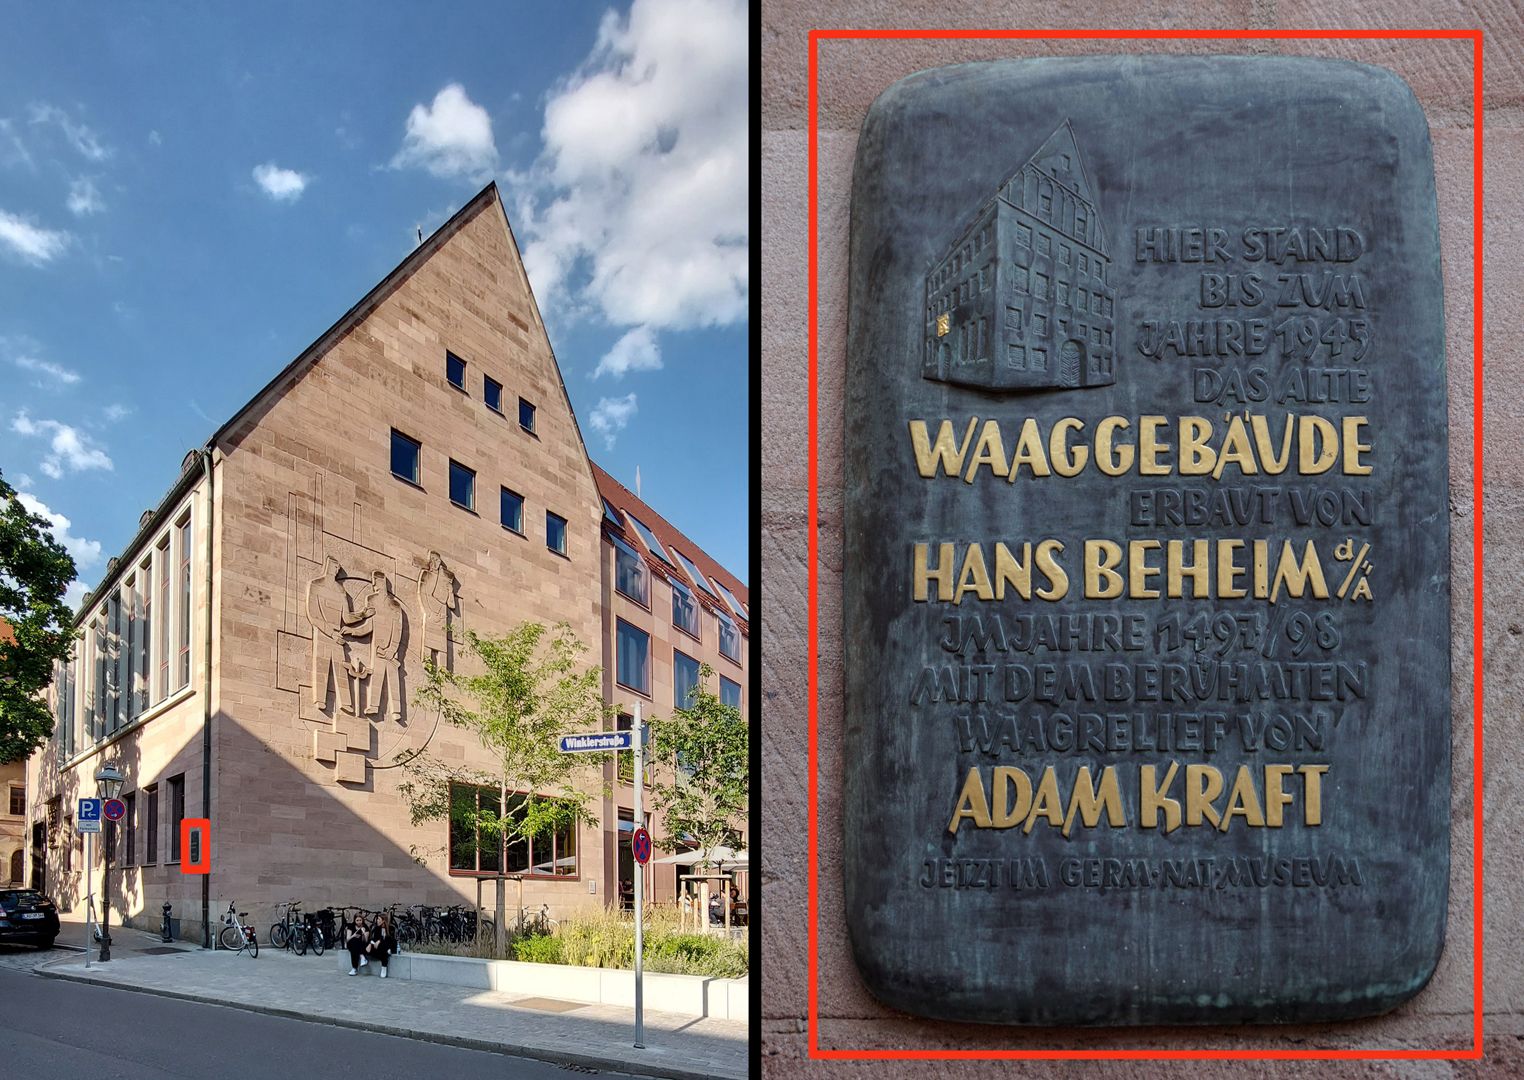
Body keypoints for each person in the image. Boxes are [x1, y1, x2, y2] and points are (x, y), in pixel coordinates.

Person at [366, 912, 398, 978]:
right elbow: (373, 938)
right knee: (373, 948)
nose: (377, 921)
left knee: (383, 946)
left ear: (383, 920)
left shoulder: (391, 928)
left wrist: (380, 941)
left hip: (388, 945)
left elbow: (390, 940)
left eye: (378, 919)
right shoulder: (377, 928)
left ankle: (384, 968)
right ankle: (386, 952)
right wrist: (370, 943)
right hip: (381, 948)